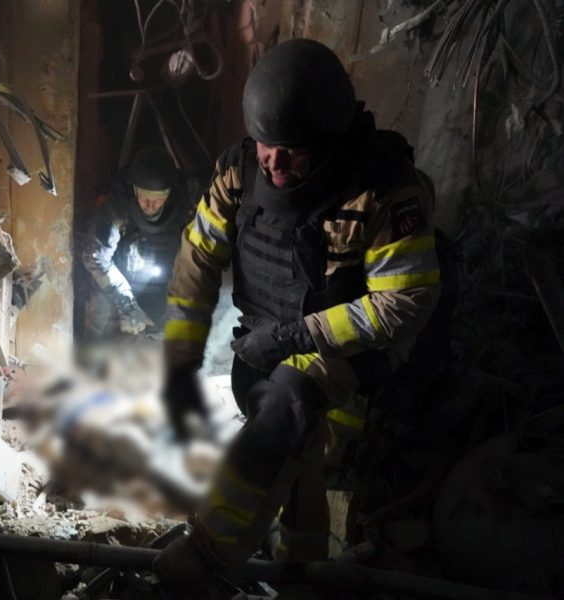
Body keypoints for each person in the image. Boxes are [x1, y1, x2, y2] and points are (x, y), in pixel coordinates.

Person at [154, 38, 442, 587]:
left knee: (286, 407)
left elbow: (405, 302)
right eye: (266, 146)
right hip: (264, 339)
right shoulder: (239, 172)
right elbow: (197, 260)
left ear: (330, 140)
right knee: (300, 458)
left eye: (292, 151)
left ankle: (208, 552)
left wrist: (294, 337)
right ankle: (302, 574)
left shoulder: (383, 190)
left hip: (351, 351)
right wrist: (179, 364)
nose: (275, 163)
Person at [81, 147, 193, 339]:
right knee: (99, 316)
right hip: (119, 280)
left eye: (158, 199)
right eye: (145, 198)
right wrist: (126, 303)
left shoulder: (185, 204)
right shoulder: (117, 207)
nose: (150, 205)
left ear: (169, 194)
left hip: (164, 282)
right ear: (134, 190)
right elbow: (95, 257)